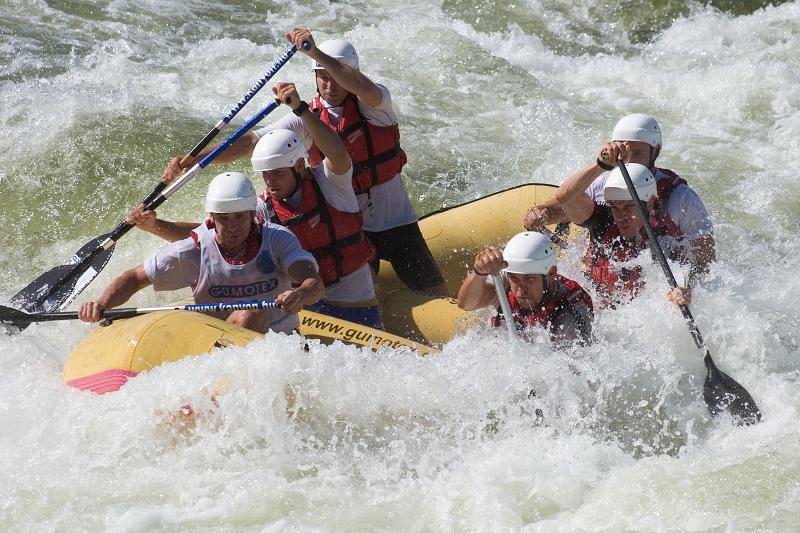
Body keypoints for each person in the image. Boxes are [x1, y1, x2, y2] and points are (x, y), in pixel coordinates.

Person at [158, 28, 447, 295]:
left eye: (335, 75)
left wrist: (315, 52)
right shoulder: (306, 117)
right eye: (322, 76)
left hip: (397, 223)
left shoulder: (376, 104)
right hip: (353, 228)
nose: (329, 84)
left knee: (433, 289)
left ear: (350, 73)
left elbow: (361, 86)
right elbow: (250, 142)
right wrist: (195, 159)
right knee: (367, 290)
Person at [131, 81, 384, 329]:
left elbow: (338, 154)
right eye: (265, 173)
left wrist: (300, 108)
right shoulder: (264, 207)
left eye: (277, 173)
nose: (270, 180)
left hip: (354, 302)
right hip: (303, 305)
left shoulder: (331, 183)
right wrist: (155, 225)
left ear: (299, 166)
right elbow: (211, 234)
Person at [78, 172, 324, 334]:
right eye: (224, 219)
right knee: (250, 315)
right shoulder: (193, 251)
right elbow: (133, 278)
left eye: (240, 217)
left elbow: (314, 283)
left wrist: (300, 293)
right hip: (218, 346)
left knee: (251, 315)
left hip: (282, 344)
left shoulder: (278, 239)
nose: (233, 227)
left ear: (252, 214)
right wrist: (101, 304)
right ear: (212, 218)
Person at [556, 157, 706, 305]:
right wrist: (600, 165)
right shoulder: (603, 221)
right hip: (595, 299)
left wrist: (682, 292)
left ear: (649, 203)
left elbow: (684, 275)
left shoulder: (665, 238)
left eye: (629, 206)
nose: (621, 216)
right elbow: (565, 197)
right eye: (614, 206)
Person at [457, 231, 593, 344]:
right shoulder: (504, 281)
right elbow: (466, 304)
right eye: (514, 279)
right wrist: (479, 273)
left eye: (530, 279)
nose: (521, 290)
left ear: (551, 274)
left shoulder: (571, 316)